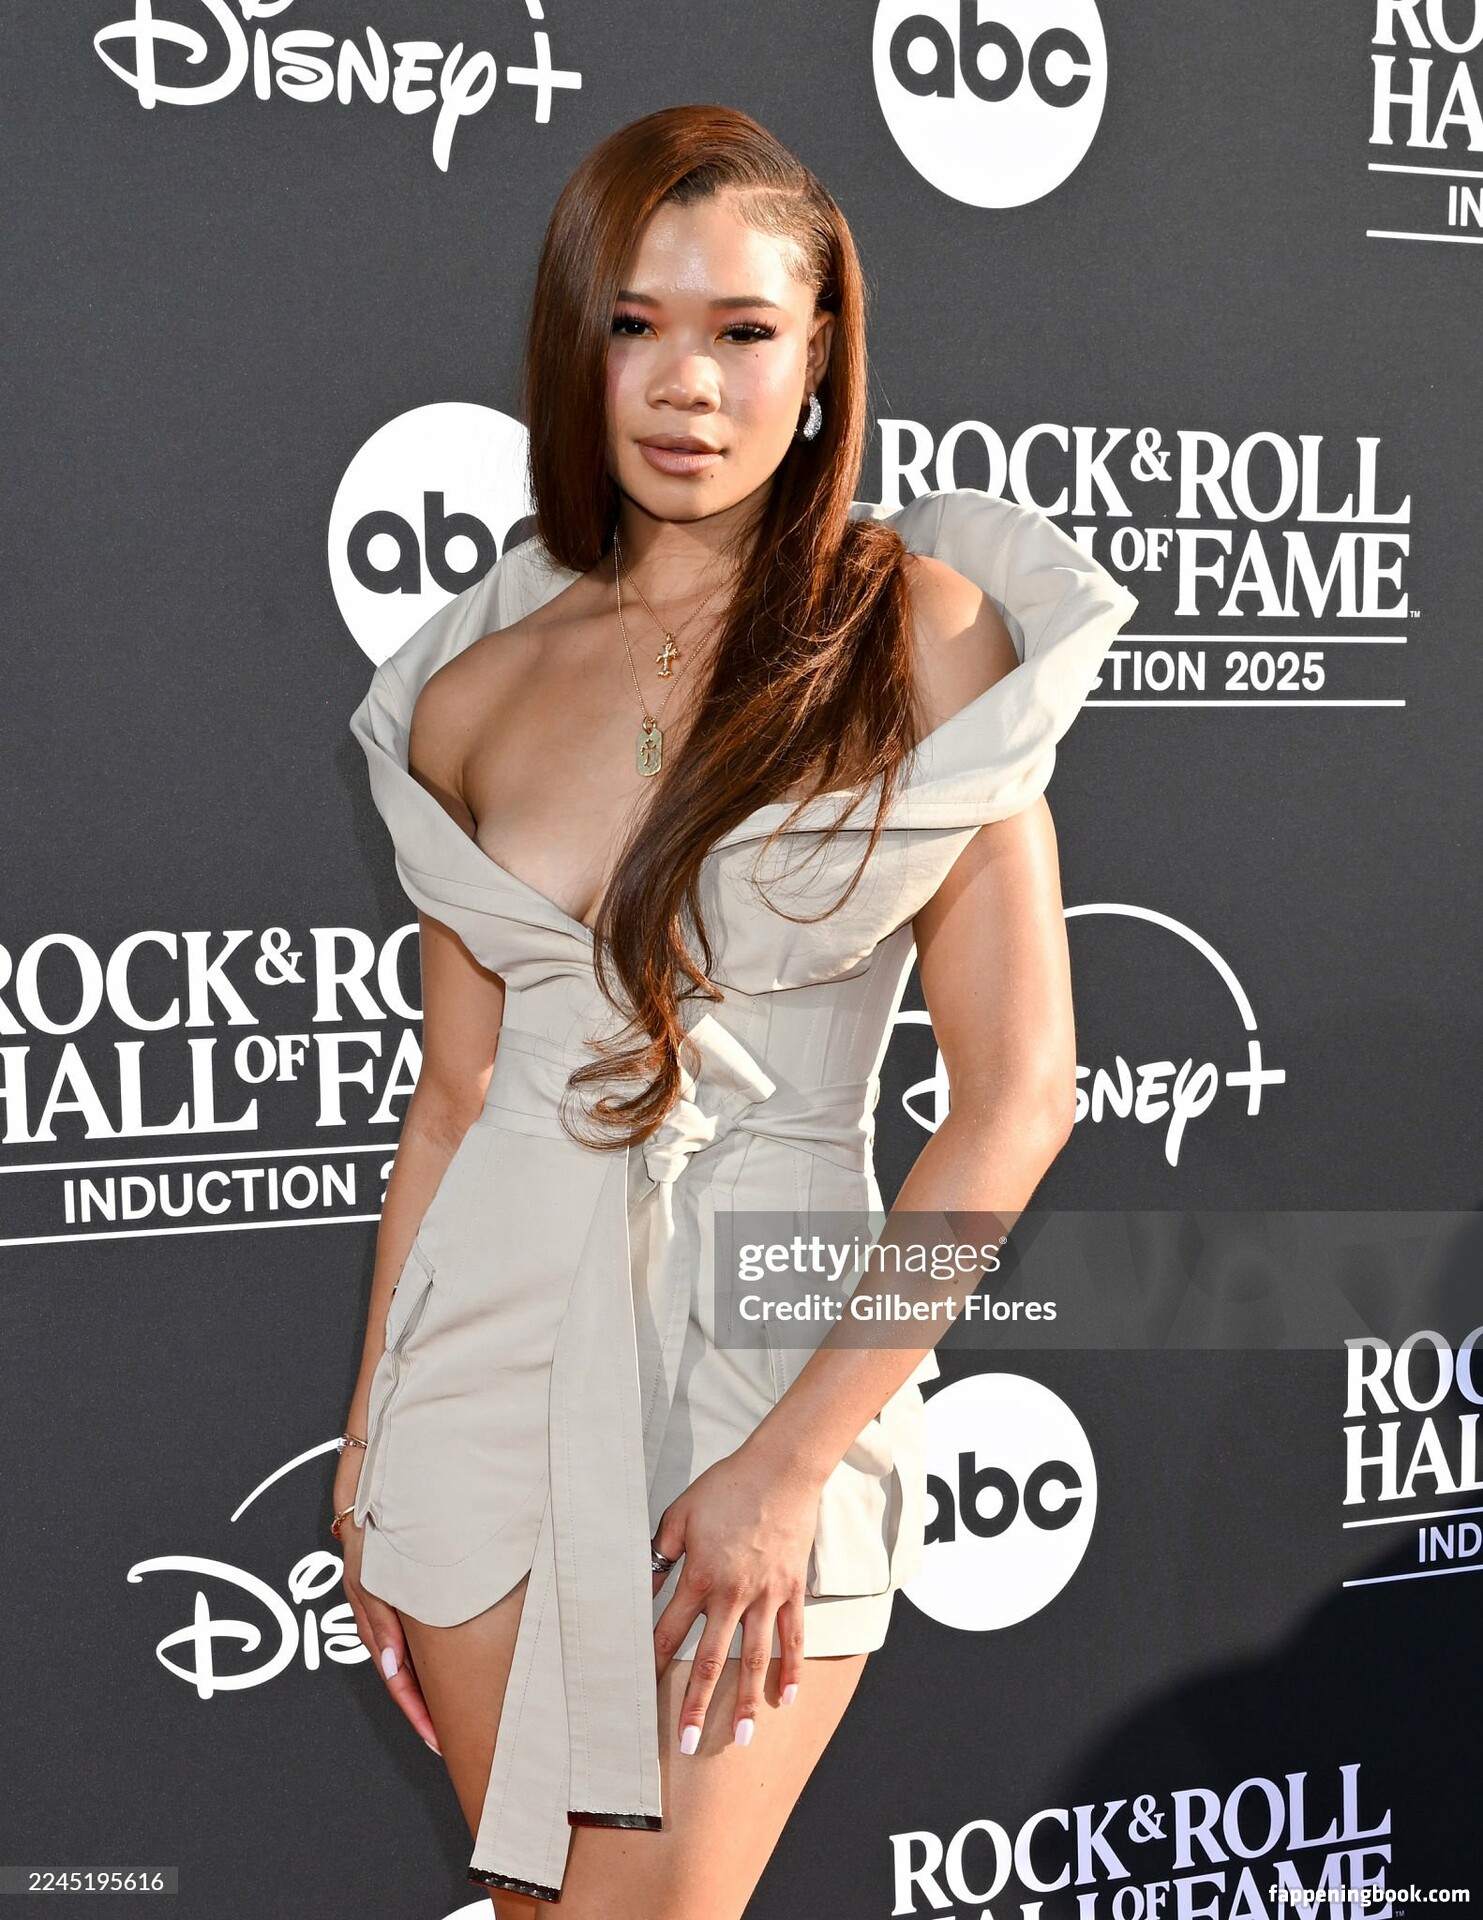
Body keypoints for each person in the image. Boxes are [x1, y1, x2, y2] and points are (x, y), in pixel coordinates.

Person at [334, 103, 1137, 1919]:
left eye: (742, 329)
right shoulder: (475, 686)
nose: (684, 383)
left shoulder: (919, 632)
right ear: (577, 341)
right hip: (482, 1374)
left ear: (822, 348)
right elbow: (455, 1097)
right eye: (634, 324)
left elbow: (1019, 1097)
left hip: (766, 1352)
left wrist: (789, 1467)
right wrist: (373, 1449)